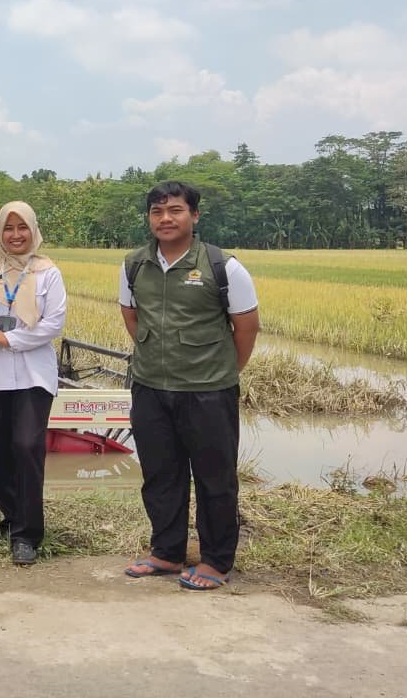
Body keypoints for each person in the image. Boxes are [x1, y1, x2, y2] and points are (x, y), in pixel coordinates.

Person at [118, 180, 260, 591]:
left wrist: (223, 372)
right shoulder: (133, 265)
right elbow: (131, 317)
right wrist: (157, 358)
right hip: (150, 387)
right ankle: (166, 552)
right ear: (149, 218)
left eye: (175, 210)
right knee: (161, 475)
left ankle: (216, 561)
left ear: (194, 216)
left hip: (208, 391)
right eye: (157, 211)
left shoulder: (223, 266)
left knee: (215, 479)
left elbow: (246, 327)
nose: (165, 218)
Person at [0, 201, 67, 565]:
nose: (16, 235)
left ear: (33, 230)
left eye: (22, 228)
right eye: (8, 228)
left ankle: (27, 534)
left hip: (34, 374)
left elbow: (53, 323)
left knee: (27, 445)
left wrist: (9, 338)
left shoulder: (48, 273)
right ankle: (12, 514)